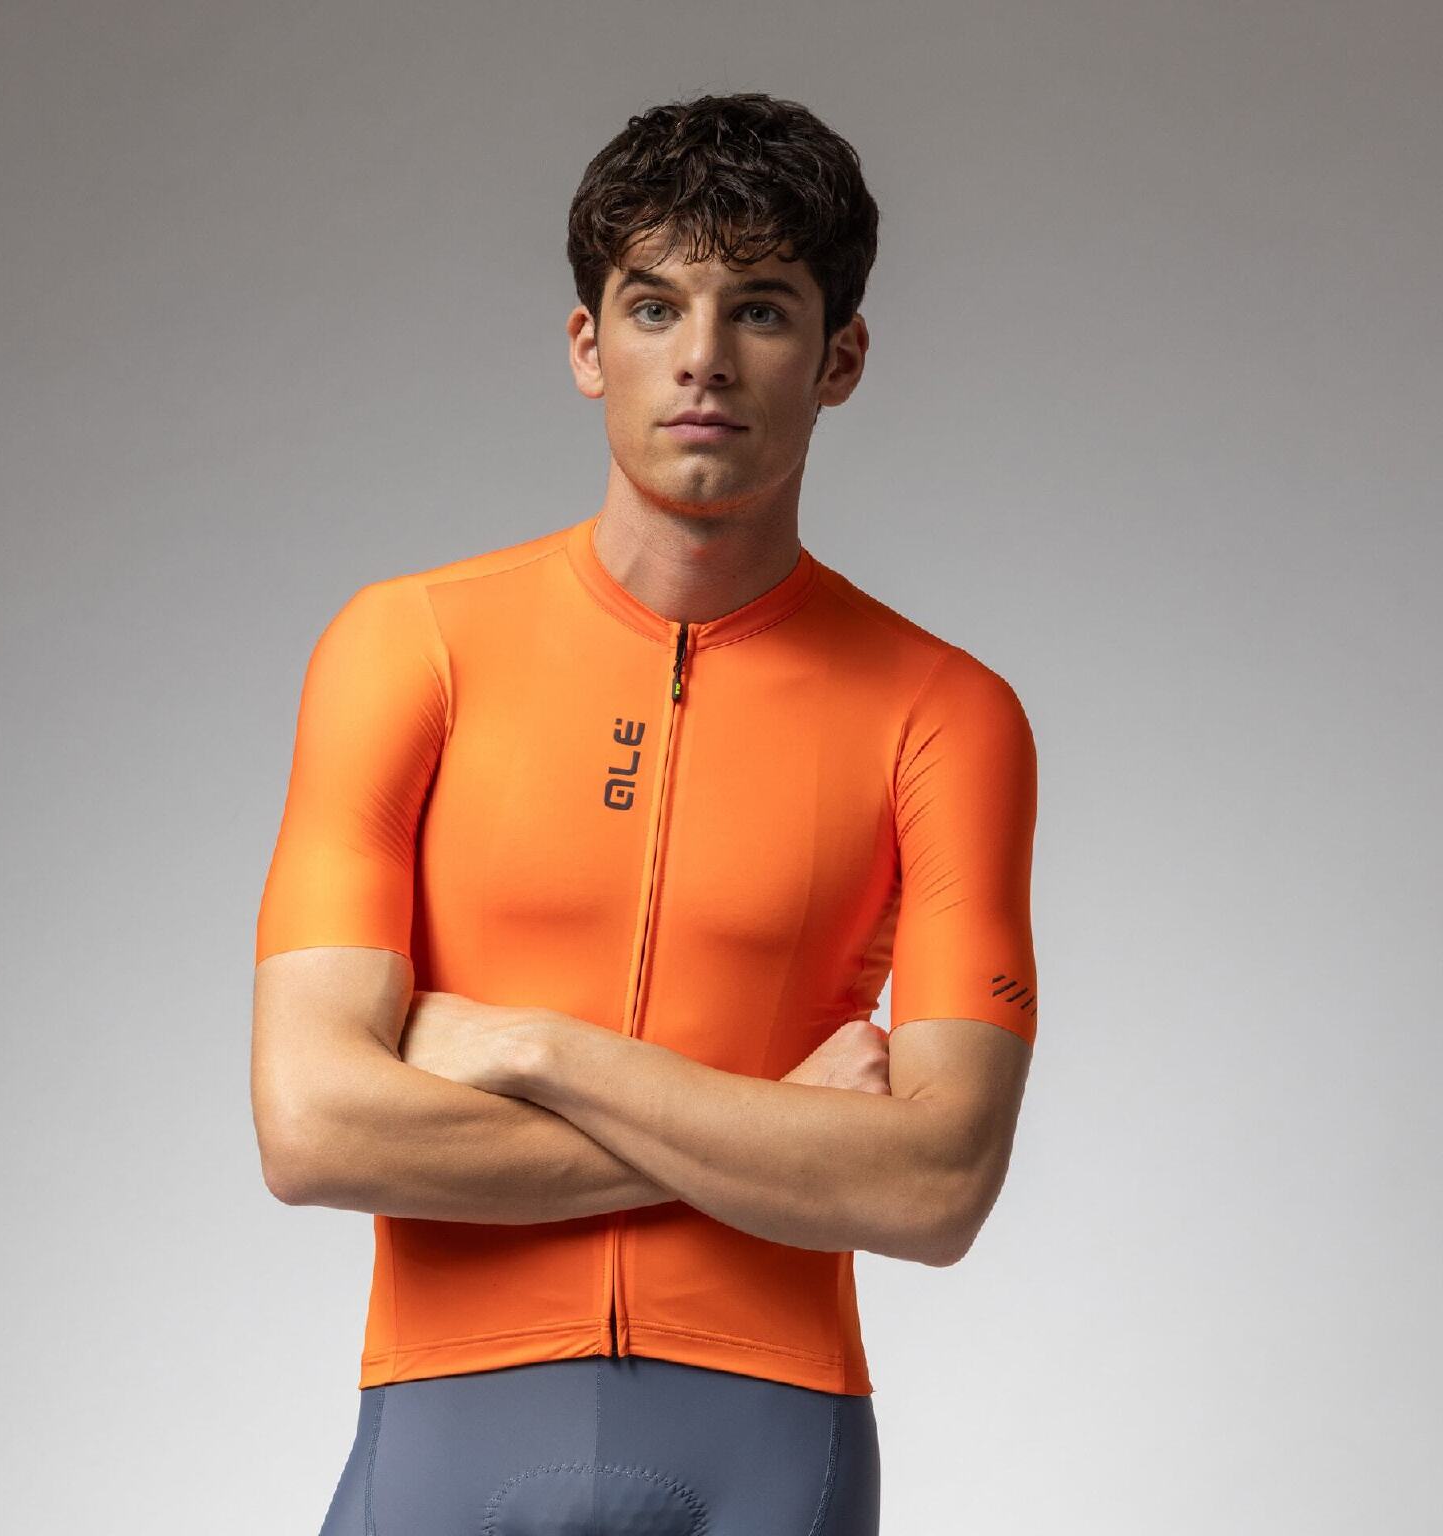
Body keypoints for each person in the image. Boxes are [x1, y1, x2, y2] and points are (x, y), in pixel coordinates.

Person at [251, 90, 1038, 1536]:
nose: (702, 359)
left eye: (762, 309)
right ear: (586, 344)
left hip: (771, 1446)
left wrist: (530, 1049)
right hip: (444, 1424)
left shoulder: (945, 713)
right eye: (655, 304)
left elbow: (936, 1186)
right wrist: (786, 1144)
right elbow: (311, 1127)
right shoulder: (407, 649)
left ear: (840, 357)